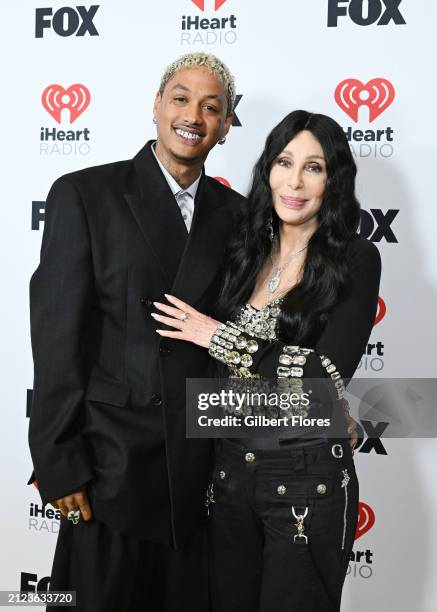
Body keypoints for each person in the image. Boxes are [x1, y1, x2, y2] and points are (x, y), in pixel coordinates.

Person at [28, 52, 244, 612]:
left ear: (225, 125)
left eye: (211, 106)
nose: (193, 115)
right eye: (180, 98)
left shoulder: (241, 217)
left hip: (199, 477)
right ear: (156, 105)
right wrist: (58, 463)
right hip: (108, 471)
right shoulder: (85, 195)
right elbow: (56, 340)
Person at [151, 110, 381, 611]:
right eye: (284, 162)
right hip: (228, 474)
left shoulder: (355, 259)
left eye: (313, 167)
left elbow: (324, 376)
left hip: (308, 478)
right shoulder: (242, 250)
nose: (294, 181)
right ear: (267, 170)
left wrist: (220, 337)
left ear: (334, 179)